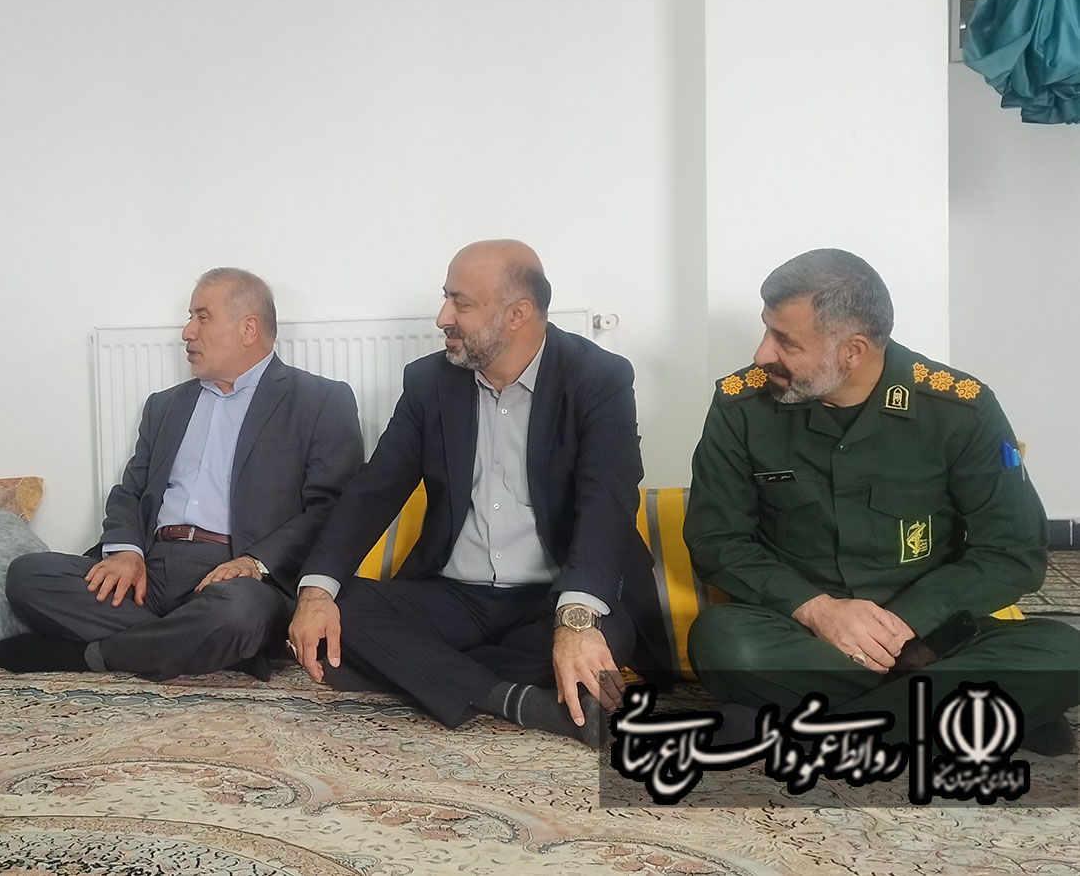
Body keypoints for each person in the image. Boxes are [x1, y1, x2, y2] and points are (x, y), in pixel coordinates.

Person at [685, 248, 1080, 752]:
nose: (763, 354)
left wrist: (906, 623)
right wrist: (819, 611)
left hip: (937, 640)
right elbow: (717, 539)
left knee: (1066, 652)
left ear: (853, 350)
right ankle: (981, 715)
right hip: (805, 637)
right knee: (723, 643)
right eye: (767, 330)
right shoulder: (740, 406)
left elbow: (1013, 550)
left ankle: (804, 726)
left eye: (785, 340)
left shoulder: (960, 409)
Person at [286, 240, 671, 746]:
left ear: (517, 314)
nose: (442, 317)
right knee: (340, 612)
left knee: (601, 637)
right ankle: (510, 698)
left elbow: (607, 501)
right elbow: (374, 488)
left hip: (553, 595)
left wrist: (575, 622)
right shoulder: (430, 381)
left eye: (460, 303)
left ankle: (428, 673)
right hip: (452, 595)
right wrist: (317, 592)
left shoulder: (598, 377)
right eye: (446, 297)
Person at [0, 268, 363, 680]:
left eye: (202, 317)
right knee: (27, 576)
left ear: (248, 328)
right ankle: (204, 646)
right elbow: (130, 489)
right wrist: (126, 552)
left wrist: (256, 562)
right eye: (190, 318)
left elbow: (331, 508)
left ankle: (93, 656)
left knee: (238, 614)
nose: (187, 333)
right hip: (149, 568)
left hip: (236, 575)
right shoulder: (166, 405)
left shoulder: (320, 400)